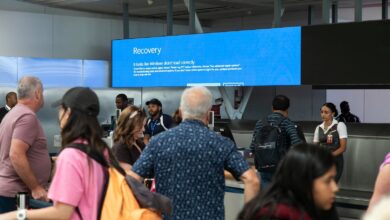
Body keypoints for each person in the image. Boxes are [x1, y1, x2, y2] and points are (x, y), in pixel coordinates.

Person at [130, 87, 260, 220]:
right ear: (208, 114)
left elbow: (131, 179)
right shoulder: (221, 143)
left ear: (180, 112)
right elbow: (252, 180)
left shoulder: (158, 142)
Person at [0, 87, 123, 219]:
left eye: (61, 109)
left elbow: (62, 213)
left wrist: (16, 215)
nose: (59, 114)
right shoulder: (100, 149)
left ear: (68, 112)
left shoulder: (71, 155)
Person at [238, 143, 339, 220]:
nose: (335, 188)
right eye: (327, 181)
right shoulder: (274, 215)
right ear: (303, 181)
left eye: (333, 179)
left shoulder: (321, 209)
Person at [0, 76, 51, 213]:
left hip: (10, 194)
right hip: (18, 196)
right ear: (37, 93)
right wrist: (35, 187)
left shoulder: (12, 114)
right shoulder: (27, 117)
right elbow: (15, 154)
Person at [250, 95, 305, 188]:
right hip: (281, 168)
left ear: (272, 107)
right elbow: (297, 144)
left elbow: (252, 147)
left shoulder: (260, 123)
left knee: (267, 197)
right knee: (281, 198)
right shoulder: (287, 122)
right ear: (287, 109)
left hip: (263, 168)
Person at [313, 102, 347, 183]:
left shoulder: (340, 125)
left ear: (333, 113)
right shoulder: (318, 127)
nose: (323, 115)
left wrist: (329, 156)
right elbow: (315, 147)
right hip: (322, 161)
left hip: (335, 161)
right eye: (321, 112)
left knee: (331, 184)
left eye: (326, 112)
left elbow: (343, 148)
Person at [112, 105, 146, 172]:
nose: (143, 129)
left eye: (144, 126)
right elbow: (130, 177)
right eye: (140, 126)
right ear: (129, 126)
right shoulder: (120, 148)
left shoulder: (139, 143)